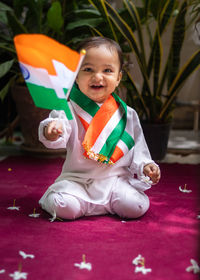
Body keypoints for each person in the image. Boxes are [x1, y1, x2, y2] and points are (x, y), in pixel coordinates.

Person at [38, 37, 160, 221]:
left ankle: (101, 204)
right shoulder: (68, 109)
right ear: (75, 76)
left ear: (118, 78)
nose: (97, 77)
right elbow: (56, 138)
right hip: (77, 181)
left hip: (115, 182)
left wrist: (146, 166)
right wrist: (52, 130)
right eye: (88, 69)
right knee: (64, 207)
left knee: (136, 206)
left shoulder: (127, 114)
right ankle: (68, 201)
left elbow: (139, 149)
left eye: (107, 70)